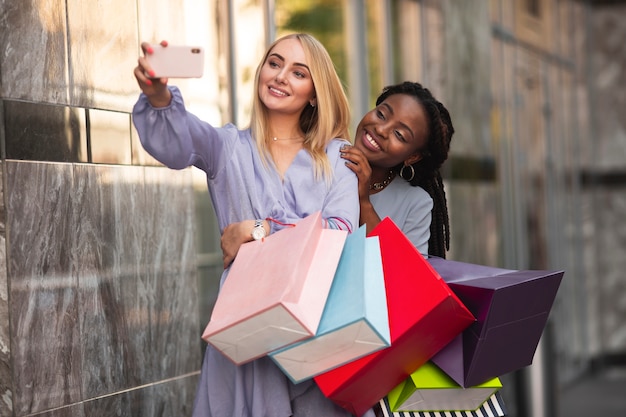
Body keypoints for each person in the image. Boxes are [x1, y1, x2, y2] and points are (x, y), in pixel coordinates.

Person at [132, 33, 372, 417]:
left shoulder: (336, 157)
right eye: (274, 64)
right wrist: (159, 96)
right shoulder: (228, 148)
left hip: (317, 338)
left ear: (314, 92)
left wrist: (256, 231)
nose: (279, 77)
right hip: (245, 335)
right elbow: (178, 143)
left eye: (298, 72)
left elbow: (337, 237)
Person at [339, 81, 453, 258]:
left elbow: (406, 275)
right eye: (381, 114)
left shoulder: (416, 203)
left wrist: (364, 202)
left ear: (413, 156)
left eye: (399, 134)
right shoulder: (324, 160)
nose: (381, 129)